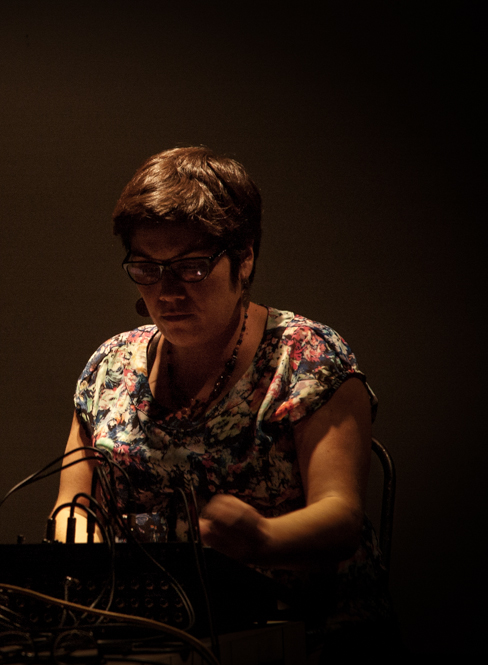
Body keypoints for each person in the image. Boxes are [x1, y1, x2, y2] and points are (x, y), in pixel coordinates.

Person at [51, 147, 394, 660]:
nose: (167, 291)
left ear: (244, 258)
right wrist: (84, 553)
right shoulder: (110, 366)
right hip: (152, 634)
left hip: (301, 635)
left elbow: (341, 519)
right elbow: (70, 507)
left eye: (191, 268)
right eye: (146, 268)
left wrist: (263, 538)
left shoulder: (306, 358)